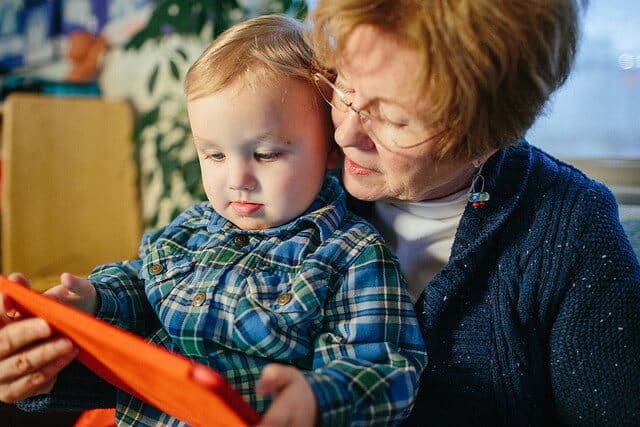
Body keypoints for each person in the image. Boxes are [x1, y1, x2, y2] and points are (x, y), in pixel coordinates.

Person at [3, 1, 640, 425]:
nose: (344, 134)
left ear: (485, 133)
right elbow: (185, 341)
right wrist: (53, 363)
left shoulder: (568, 234)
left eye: (392, 119)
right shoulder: (280, 192)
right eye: (341, 88)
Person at [0, 14, 426, 427]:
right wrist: (91, 300)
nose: (236, 179)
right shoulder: (192, 228)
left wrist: (317, 399)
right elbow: (142, 288)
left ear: (330, 151)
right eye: (214, 155)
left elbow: (385, 368)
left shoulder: (351, 254)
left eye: (266, 154)